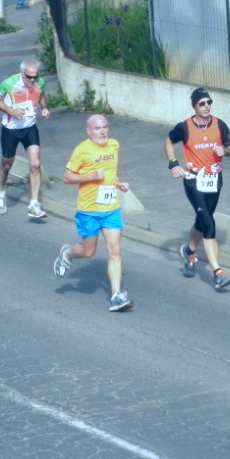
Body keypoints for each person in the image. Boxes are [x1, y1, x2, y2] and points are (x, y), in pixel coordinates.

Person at [53, 114, 134, 312]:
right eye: (97, 128)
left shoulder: (114, 145)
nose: (103, 131)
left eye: (105, 127)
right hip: (88, 210)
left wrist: (118, 183)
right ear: (89, 131)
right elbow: (67, 177)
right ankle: (68, 254)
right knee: (89, 251)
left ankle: (116, 296)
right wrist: (91, 175)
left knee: (114, 250)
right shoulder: (82, 150)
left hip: (111, 208)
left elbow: (110, 172)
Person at [164, 87, 230, 290]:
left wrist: (225, 150)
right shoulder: (185, 127)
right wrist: (173, 163)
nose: (206, 106)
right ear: (194, 106)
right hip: (193, 181)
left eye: (209, 102)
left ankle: (189, 251)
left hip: (214, 181)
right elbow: (169, 141)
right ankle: (217, 273)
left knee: (201, 220)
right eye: (201, 103)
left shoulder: (219, 124)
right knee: (209, 222)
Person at [0, 57, 51, 218]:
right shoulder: (9, 83)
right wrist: (10, 111)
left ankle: (33, 204)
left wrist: (44, 108)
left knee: (35, 164)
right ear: (22, 73)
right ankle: (1, 195)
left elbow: (41, 95)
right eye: (29, 76)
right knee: (7, 164)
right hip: (11, 129)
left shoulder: (40, 82)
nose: (32, 80)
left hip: (30, 128)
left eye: (35, 76)